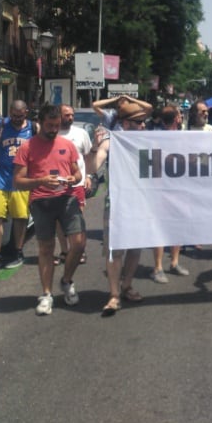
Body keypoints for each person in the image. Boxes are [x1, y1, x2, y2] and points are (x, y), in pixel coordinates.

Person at [13, 104, 84, 316]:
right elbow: (18, 181)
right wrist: (41, 181)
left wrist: (74, 178)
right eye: (50, 125)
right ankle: (46, 294)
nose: (54, 129)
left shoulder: (66, 145)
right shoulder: (27, 147)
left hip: (66, 198)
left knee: (79, 244)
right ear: (40, 123)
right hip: (41, 201)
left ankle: (66, 280)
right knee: (46, 248)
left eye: (57, 125)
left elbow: (77, 174)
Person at [87, 101, 150, 316]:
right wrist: (96, 147)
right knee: (115, 249)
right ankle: (114, 295)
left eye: (144, 122)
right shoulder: (112, 140)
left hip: (140, 201)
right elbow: (93, 166)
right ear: (125, 123)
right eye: (139, 122)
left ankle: (127, 286)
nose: (143, 125)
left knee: (135, 247)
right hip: (117, 203)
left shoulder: (146, 140)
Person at [0, 100, 36, 272]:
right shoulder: (0, 126)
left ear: (26, 112)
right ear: (10, 112)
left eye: (20, 116)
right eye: (14, 116)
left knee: (20, 218)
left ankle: (18, 252)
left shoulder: (33, 128)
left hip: (22, 180)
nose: (17, 119)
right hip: (1, 179)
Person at [150, 105, 190, 283]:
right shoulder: (157, 138)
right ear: (176, 119)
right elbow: (155, 163)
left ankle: (174, 262)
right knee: (161, 228)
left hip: (180, 188)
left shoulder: (182, 137)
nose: (181, 118)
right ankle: (157, 267)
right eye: (179, 115)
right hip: (162, 189)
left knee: (178, 226)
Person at [54, 105, 93, 266]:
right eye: (66, 115)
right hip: (56, 183)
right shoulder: (51, 133)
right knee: (58, 220)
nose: (70, 118)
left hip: (77, 183)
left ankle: (79, 250)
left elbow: (89, 156)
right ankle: (64, 251)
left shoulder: (81, 133)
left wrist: (89, 176)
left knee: (77, 219)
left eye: (72, 115)